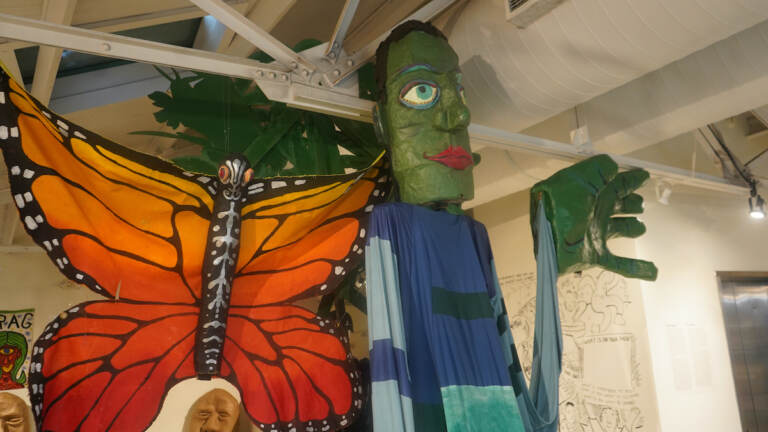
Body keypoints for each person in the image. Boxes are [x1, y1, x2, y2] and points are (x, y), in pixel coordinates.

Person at [366, 20, 656, 432]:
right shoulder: (391, 232)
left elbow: (518, 409)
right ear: (381, 125)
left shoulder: (471, 236)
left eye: (459, 91)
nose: (460, 113)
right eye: (421, 92)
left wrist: (550, 250)